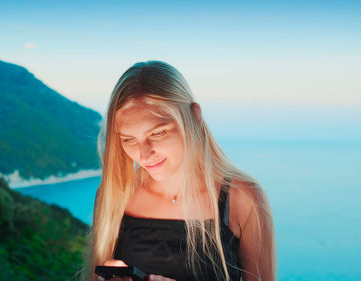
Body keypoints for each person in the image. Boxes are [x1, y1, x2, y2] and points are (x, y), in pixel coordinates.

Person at [87, 61, 276, 281]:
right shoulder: (114, 194)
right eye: (129, 139)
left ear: (194, 118)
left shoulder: (244, 198)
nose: (144, 154)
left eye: (157, 133)